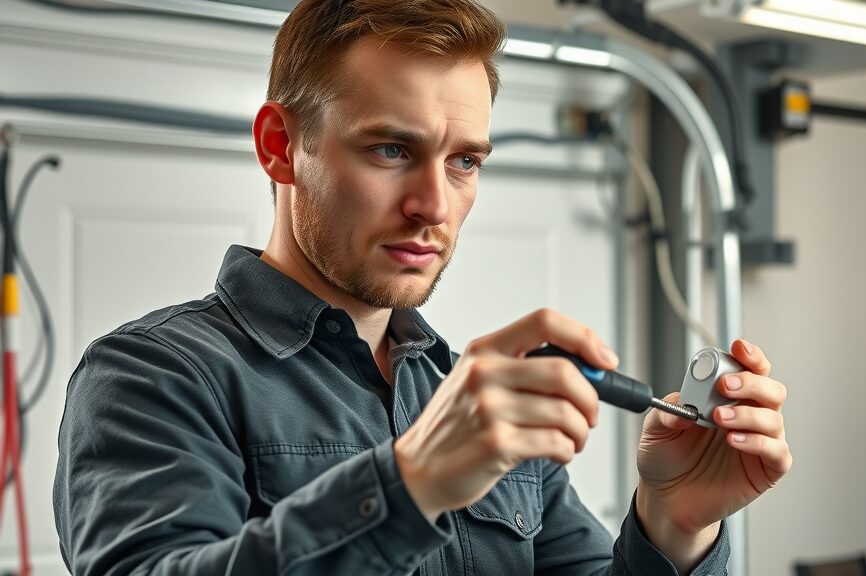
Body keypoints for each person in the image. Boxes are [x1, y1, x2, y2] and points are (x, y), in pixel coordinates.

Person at [53, 0, 792, 574]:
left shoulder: (477, 405)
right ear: (281, 147)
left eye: (464, 161)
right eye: (390, 149)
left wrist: (674, 524)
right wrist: (412, 483)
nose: (434, 205)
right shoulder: (153, 377)